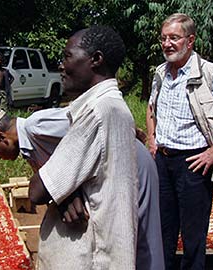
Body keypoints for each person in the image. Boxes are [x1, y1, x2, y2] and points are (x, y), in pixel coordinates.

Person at [0, 105, 163, 270]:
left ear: (2, 138)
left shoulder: (37, 126)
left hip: (128, 161)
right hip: (106, 172)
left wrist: (129, 129)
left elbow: (94, 118)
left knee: (143, 238)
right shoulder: (30, 150)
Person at [146, 13, 213, 270]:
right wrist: (152, 140)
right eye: (164, 39)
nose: (167, 44)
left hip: (193, 163)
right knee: (163, 230)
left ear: (190, 40)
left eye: (174, 38)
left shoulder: (207, 72)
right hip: (163, 160)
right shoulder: (161, 72)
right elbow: (151, 108)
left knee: (193, 236)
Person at [28, 26, 137, 269]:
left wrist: (60, 189)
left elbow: (37, 191)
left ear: (96, 60)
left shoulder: (97, 112)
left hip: (88, 257)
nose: (61, 65)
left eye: (67, 56)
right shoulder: (114, 107)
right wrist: (68, 190)